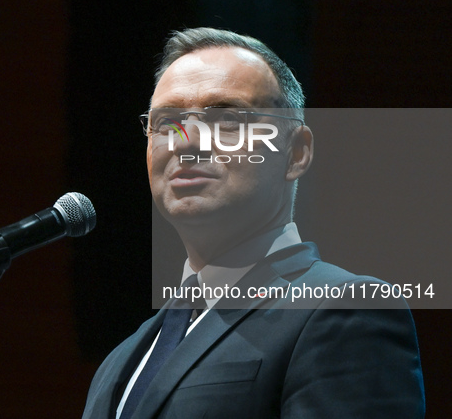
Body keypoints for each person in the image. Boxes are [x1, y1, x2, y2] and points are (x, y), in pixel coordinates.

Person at [83, 27, 425, 418]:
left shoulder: (345, 309)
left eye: (227, 118)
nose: (186, 142)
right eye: (166, 122)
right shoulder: (119, 362)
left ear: (296, 152)